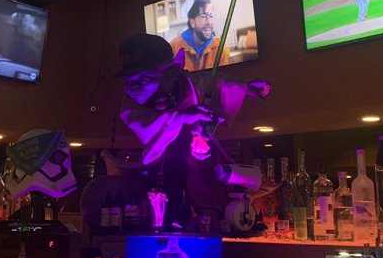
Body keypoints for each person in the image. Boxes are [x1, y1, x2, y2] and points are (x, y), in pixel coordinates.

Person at [114, 33, 270, 231]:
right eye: (128, 82)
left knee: (210, 192)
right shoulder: (129, 106)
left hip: (198, 159)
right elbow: (150, 143)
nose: (134, 87)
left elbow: (215, 82)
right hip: (159, 170)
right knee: (161, 209)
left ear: (169, 71)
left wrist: (247, 88)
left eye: (144, 78)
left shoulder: (187, 84)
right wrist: (181, 117)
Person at [170, 0, 229, 72]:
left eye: (211, 16)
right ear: (192, 22)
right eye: (203, 16)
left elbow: (224, 77)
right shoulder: (174, 46)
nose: (209, 22)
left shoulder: (218, 45)